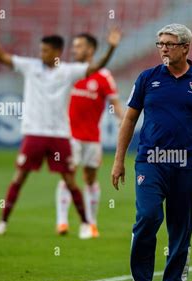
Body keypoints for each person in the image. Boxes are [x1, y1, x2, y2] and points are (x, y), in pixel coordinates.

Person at [0, 11, 121, 238]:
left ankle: (86, 224)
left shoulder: (68, 71)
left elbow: (95, 68)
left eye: (46, 51)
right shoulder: (31, 66)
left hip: (59, 134)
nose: (41, 54)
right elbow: (2, 58)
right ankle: (3, 222)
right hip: (33, 133)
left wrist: (112, 48)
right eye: (40, 50)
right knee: (20, 177)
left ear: (57, 52)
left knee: (70, 180)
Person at [111, 24, 192, 281]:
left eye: (169, 44)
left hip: (187, 166)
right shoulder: (147, 79)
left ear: (185, 47)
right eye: (159, 43)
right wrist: (118, 159)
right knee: (147, 218)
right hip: (151, 162)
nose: (163, 48)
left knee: (180, 231)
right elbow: (129, 120)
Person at [55, 33, 124, 239]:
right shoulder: (68, 73)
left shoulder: (103, 76)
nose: (74, 50)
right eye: (74, 46)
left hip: (93, 138)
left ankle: (91, 224)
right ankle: (62, 222)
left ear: (90, 50)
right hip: (69, 136)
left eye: (79, 46)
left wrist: (125, 121)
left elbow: (115, 103)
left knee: (90, 178)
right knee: (68, 176)